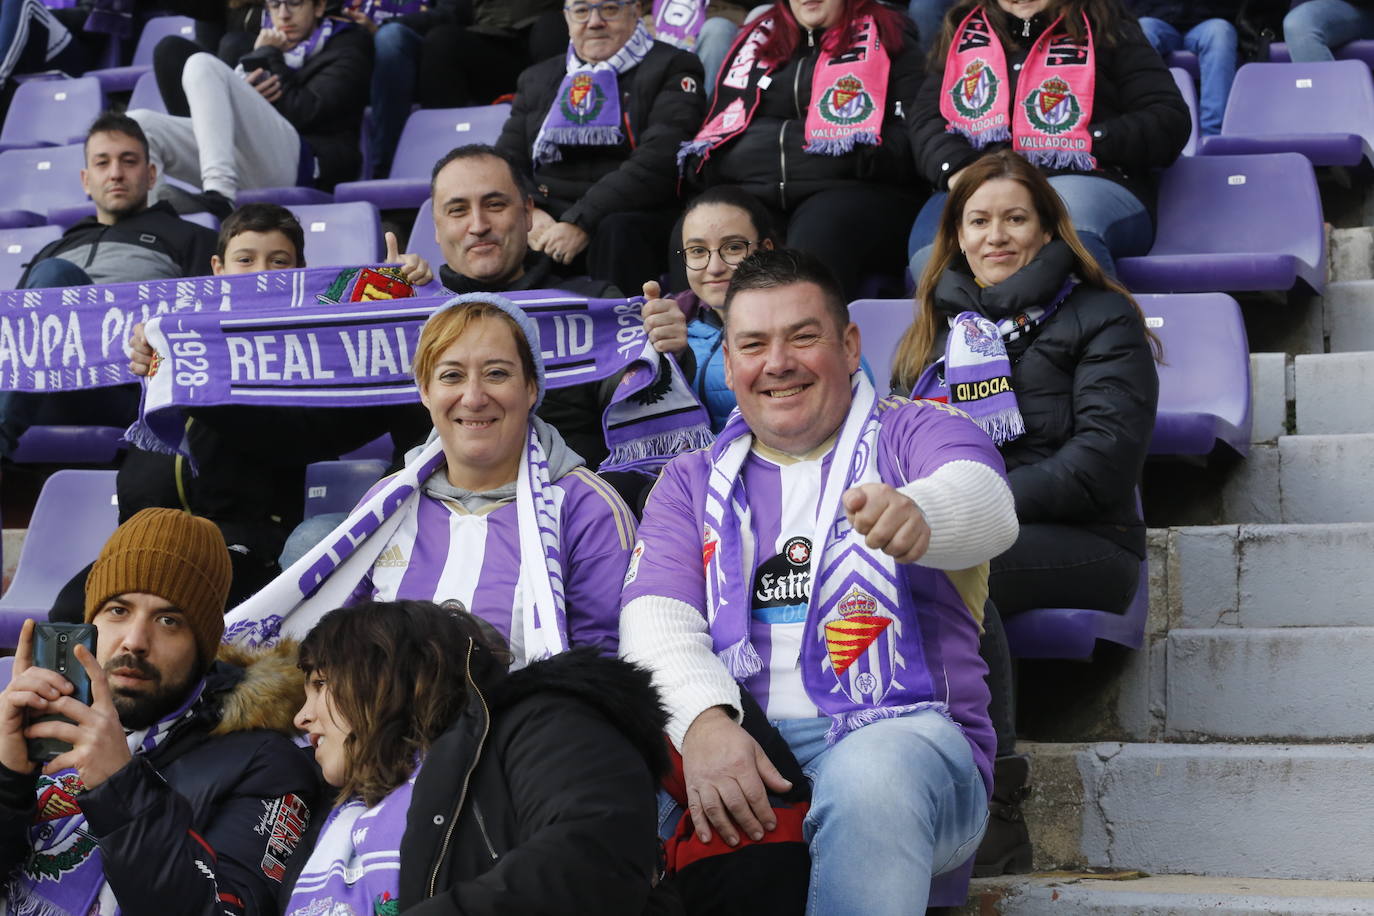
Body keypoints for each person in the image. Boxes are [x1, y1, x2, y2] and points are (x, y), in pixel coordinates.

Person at [620, 248, 1019, 914]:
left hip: (908, 742)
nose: (777, 363)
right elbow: (655, 625)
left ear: (849, 343)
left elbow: (985, 502)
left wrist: (923, 514)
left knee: (872, 776)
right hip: (741, 739)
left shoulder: (918, 430)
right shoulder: (689, 480)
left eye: (802, 337)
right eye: (752, 344)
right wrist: (705, 725)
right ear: (729, 362)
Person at [890, 148, 1159, 876]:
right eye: (979, 220)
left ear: (1047, 230)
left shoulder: (1102, 315)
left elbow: (1101, 467)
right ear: (956, 233)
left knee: (959, 562)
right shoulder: (932, 328)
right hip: (958, 530)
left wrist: (964, 511)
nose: (997, 236)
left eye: (1016, 218)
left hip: (1084, 540)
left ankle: (997, 812)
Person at [258, 293, 637, 667]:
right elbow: (335, 651)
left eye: (497, 374)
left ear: (531, 388)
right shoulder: (385, 504)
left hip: (531, 725)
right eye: (451, 376)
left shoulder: (588, 508)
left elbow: (604, 667)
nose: (473, 397)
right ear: (425, 390)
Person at [99, 203, 433, 609]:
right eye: (246, 260)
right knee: (69, 609)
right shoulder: (185, 336)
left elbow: (300, 436)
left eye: (279, 262)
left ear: (301, 272)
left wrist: (403, 300)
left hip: (248, 544)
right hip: (147, 536)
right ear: (218, 270)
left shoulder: (313, 350)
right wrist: (157, 364)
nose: (262, 273)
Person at [0, 507, 322, 916]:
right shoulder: (36, 723)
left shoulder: (266, 763)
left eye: (169, 620)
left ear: (204, 646)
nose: (135, 641)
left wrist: (119, 786)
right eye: (118, 610)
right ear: (89, 623)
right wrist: (8, 782)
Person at [281, 599, 668, 914]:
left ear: (389, 676)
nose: (302, 717)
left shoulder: (541, 724)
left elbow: (590, 859)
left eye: (321, 685)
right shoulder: (330, 814)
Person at [907, 0, 1191, 279]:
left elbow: (1167, 119)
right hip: (978, 179)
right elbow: (927, 121)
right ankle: (978, 328)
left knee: (1063, 239)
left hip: (1085, 177)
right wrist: (959, 169)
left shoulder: (1109, 25)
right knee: (934, 255)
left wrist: (1081, 141)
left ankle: (1085, 326)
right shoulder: (963, 31)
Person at [0, 112, 218, 462]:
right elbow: (17, 333)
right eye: (103, 163)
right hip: (42, 390)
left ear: (151, 175)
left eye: (128, 161)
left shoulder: (190, 237)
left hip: (125, 385)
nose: (115, 173)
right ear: (86, 180)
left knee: (54, 277)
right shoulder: (55, 246)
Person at [677, 0, 923, 299]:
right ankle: (700, 342)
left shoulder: (891, 36)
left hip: (855, 190)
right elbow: (717, 140)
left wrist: (820, 156)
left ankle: (806, 342)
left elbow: (906, 144)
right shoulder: (757, 37)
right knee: (699, 229)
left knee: (820, 233)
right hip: (758, 190)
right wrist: (807, 151)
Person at [495, 0, 706, 294]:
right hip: (549, 217)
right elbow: (505, 160)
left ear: (635, 12)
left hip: (631, 215)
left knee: (617, 230)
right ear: (567, 19)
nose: (594, 21)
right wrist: (532, 211)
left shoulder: (673, 66)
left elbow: (659, 160)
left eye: (609, 8)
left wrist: (581, 221)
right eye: (581, 10)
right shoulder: (538, 78)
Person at [128, 0, 372, 217]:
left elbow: (308, 111)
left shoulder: (348, 43)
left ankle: (218, 194)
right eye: (275, 5)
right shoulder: (258, 40)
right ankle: (153, 222)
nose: (284, 15)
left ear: (318, 6)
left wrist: (268, 55)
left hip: (306, 164)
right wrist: (246, 95)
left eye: (295, 4)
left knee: (201, 64)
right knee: (138, 125)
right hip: (247, 161)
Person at [364, 0, 566, 177]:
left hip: (545, 40)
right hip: (493, 44)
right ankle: (439, 161)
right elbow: (454, 12)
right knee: (441, 41)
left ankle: (553, 152)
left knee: (551, 26)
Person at [638, 184, 779, 431]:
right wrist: (667, 360)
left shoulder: (808, 315)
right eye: (698, 251)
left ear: (766, 249)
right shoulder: (667, 319)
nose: (714, 267)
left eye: (734, 247)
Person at [1129, 0, 1240, 136]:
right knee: (1142, 29)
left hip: (1209, 21)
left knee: (1221, 32)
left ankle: (1214, 135)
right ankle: (1146, 130)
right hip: (1156, 20)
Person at [1284, 0, 1374, 61]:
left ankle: (1327, 88)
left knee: (1301, 22)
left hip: (1361, 9)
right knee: (1300, 22)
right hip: (1306, 11)